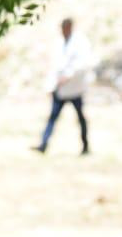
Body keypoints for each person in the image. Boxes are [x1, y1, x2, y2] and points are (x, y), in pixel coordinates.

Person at [34, 18, 93, 155]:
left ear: (70, 27)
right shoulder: (59, 43)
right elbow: (55, 66)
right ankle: (43, 144)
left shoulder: (80, 42)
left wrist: (67, 76)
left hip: (75, 88)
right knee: (52, 117)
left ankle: (85, 146)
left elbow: (82, 64)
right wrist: (51, 85)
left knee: (80, 118)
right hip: (60, 89)